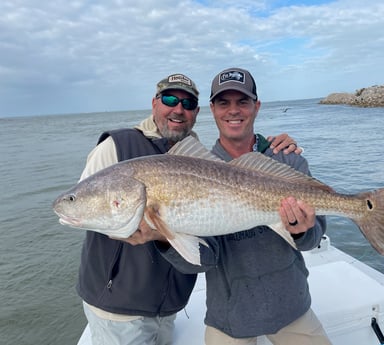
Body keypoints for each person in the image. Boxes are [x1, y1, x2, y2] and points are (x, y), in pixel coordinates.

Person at [76, 72, 300, 345]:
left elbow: (201, 244)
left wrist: (273, 153)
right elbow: (91, 204)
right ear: (154, 102)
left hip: (169, 305)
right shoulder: (116, 146)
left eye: (188, 103)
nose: (178, 109)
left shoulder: (199, 159)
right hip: (118, 306)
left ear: (197, 112)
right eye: (170, 99)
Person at [158, 68, 332, 345]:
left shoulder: (287, 159)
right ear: (212, 109)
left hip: (292, 307)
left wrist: (301, 230)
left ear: (257, 106)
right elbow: (203, 261)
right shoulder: (195, 169)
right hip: (230, 319)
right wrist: (161, 237)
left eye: (242, 102)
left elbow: (311, 241)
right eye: (224, 103)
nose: (233, 111)